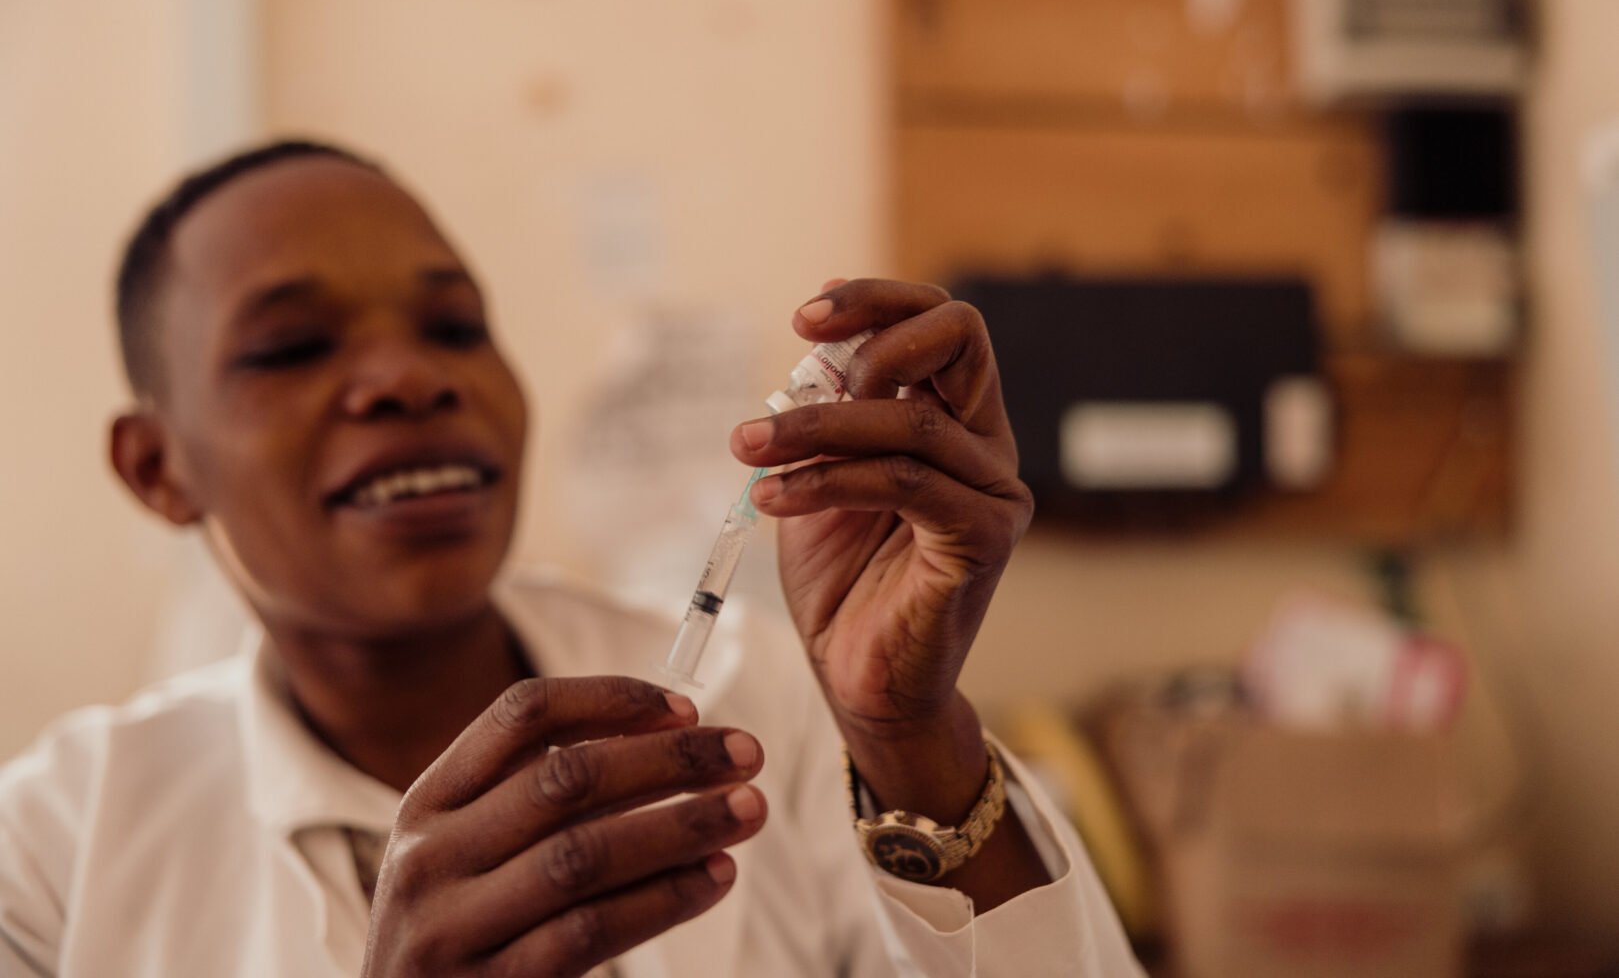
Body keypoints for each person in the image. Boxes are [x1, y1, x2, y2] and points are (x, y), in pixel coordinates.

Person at [0, 140, 1142, 977]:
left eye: (454, 327)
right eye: (292, 347)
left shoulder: (774, 712)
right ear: (158, 467)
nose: (412, 379)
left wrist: (904, 733)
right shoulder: (52, 853)